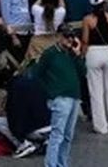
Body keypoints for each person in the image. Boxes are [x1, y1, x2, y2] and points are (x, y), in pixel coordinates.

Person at [33, 29, 83, 167]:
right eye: (66, 37)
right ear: (58, 36)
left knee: (68, 136)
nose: (69, 40)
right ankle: (51, 164)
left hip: (74, 96)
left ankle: (62, 164)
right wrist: (50, 92)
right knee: (57, 134)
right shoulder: (50, 53)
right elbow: (37, 73)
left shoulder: (72, 54)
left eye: (72, 37)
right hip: (60, 97)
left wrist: (78, 55)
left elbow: (83, 72)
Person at [77, 0, 108, 135]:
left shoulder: (87, 20)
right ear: (104, 3)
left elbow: (85, 40)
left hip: (93, 52)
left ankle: (101, 126)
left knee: (96, 91)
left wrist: (82, 56)